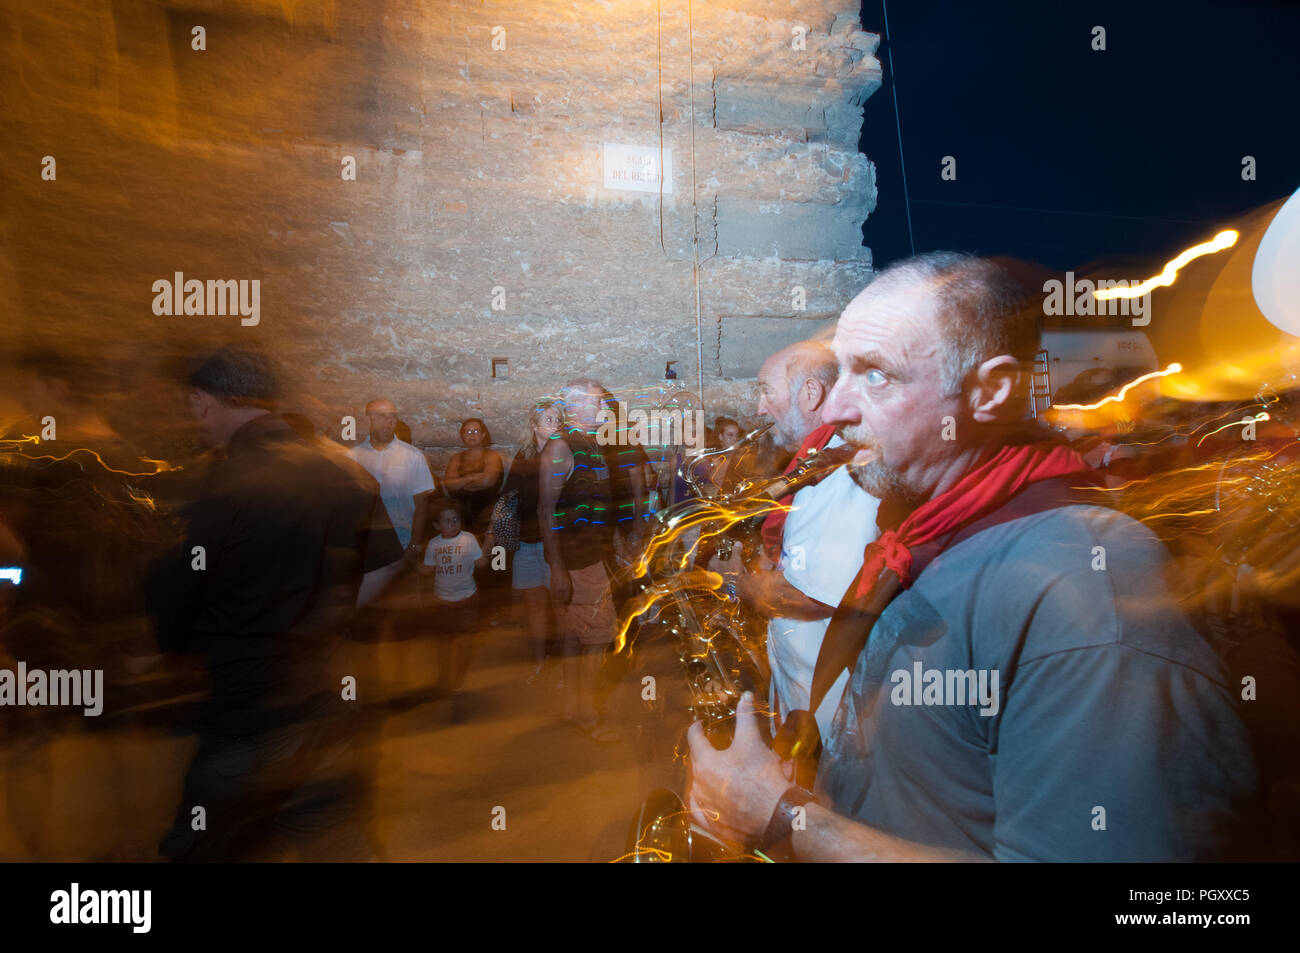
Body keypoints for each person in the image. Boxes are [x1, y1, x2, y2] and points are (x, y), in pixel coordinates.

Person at [687, 253, 1260, 862]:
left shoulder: (1090, 585)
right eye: (842, 372)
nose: (832, 412)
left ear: (990, 392)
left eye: (876, 375)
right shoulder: (925, 523)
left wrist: (784, 820)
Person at [152, 348, 403, 861]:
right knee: (333, 837)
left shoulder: (220, 484)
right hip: (325, 692)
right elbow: (386, 562)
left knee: (204, 844)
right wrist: (329, 623)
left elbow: (180, 596)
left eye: (188, 404)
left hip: (248, 706)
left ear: (202, 401)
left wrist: (171, 651)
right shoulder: (342, 471)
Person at [712, 342, 881, 743]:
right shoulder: (818, 455)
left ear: (810, 393)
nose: (759, 408)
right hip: (804, 689)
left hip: (830, 710)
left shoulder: (843, 472)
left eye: (766, 390)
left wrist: (732, 582)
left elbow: (816, 596)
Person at [540, 379, 620, 741]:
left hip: (591, 555)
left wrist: (615, 541)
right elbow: (545, 511)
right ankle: (588, 716)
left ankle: (571, 709)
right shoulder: (560, 448)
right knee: (598, 639)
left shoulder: (592, 443)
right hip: (577, 560)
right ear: (574, 408)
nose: (605, 410)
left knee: (575, 637)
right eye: (598, 403)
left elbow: (598, 501)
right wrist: (558, 568)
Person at [492, 401, 562, 681]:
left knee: (560, 604)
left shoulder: (566, 454)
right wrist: (494, 535)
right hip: (527, 542)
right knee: (534, 606)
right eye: (548, 420)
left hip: (555, 543)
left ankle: (564, 666)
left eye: (558, 419)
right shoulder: (525, 455)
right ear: (534, 426)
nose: (555, 424)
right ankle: (538, 662)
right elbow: (509, 497)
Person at [418, 500, 487, 721]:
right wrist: (410, 560)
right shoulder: (433, 545)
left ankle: (458, 683)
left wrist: (490, 543)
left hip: (467, 599)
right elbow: (427, 570)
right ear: (437, 526)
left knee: (465, 641)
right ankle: (444, 678)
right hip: (443, 601)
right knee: (445, 641)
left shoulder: (468, 539)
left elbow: (481, 564)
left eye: (455, 518)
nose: (452, 523)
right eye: (447, 520)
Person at [348, 399, 436, 558]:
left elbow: (422, 505)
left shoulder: (412, 455)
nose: (388, 422)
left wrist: (415, 544)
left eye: (393, 416)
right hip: (365, 543)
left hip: (401, 541)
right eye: (381, 416)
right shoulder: (353, 456)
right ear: (367, 419)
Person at [442, 418, 504, 533]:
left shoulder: (492, 456)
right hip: (461, 513)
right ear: (462, 436)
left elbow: (488, 481)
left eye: (476, 431)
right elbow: (449, 485)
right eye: (467, 431)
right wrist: (472, 477)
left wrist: (460, 483)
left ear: (483, 435)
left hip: (487, 510)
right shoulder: (456, 458)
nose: (471, 435)